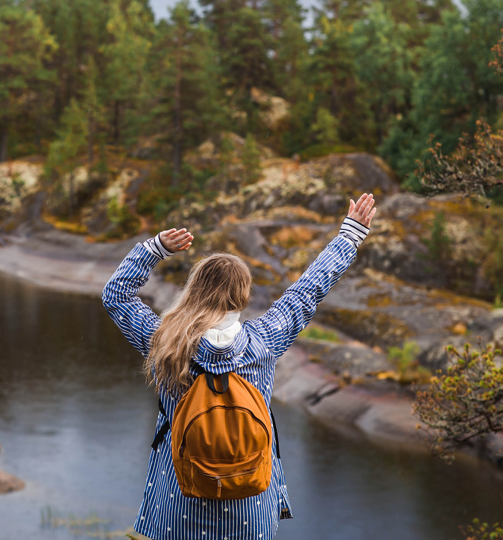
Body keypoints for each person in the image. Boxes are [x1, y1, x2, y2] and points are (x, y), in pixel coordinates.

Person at [101, 193, 377, 540]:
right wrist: (350, 234)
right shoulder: (265, 341)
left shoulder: (166, 344)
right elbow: (308, 290)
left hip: (175, 510)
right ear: (242, 297)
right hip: (251, 510)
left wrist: (155, 248)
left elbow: (116, 295)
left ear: (194, 291)